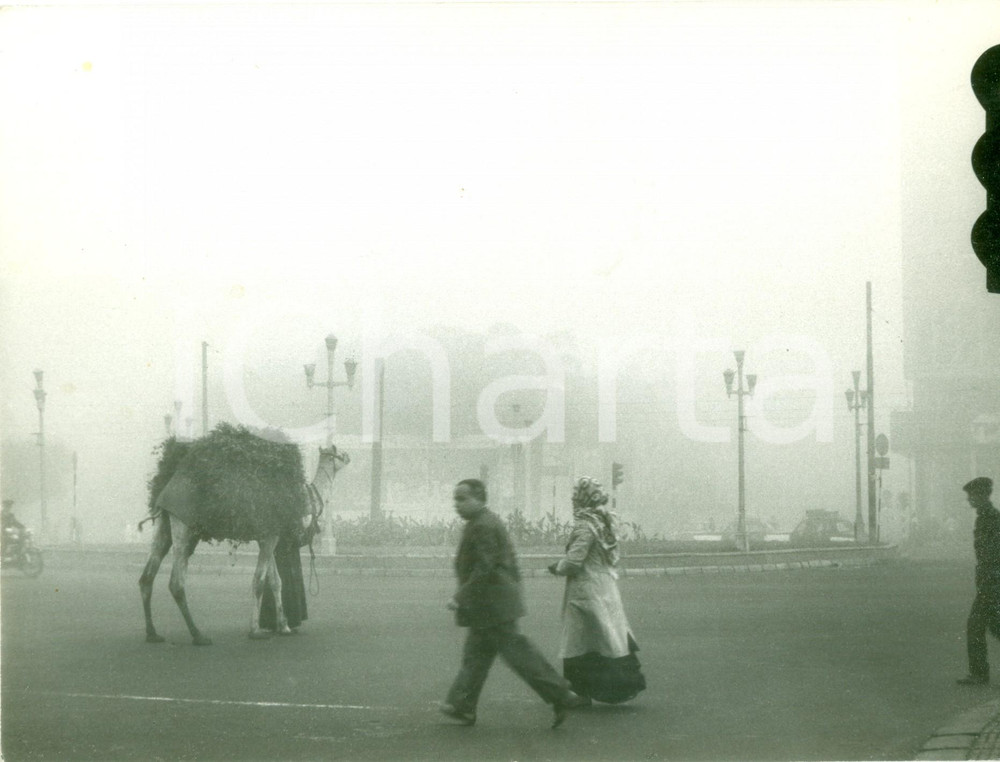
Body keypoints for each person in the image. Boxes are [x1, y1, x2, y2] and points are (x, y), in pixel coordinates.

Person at [441, 478, 588, 728]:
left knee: (517, 655)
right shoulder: (483, 521)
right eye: (456, 499)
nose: (457, 504)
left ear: (480, 499)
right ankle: (462, 705)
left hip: (492, 605)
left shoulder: (482, 526)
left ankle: (561, 694)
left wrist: (460, 597)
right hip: (492, 603)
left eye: (462, 499)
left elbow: (484, 568)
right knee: (477, 656)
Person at [548, 477, 646, 703]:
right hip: (606, 586)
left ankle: (579, 693)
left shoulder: (585, 524)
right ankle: (604, 689)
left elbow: (575, 560)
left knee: (579, 640)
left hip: (585, 589)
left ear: (581, 499)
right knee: (606, 637)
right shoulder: (605, 521)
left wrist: (558, 567)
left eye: (575, 497)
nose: (573, 500)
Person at [957, 477, 1000, 685]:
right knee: (992, 626)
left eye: (972, 496)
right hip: (989, 581)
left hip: (993, 581)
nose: (969, 500)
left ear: (982, 496)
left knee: (977, 625)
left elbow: (993, 552)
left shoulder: (991, 518)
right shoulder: (984, 517)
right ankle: (979, 673)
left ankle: (979, 673)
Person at [259, 528, 308, 632]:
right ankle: (274, 621)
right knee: (280, 579)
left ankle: (289, 621)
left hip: (289, 549)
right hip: (281, 548)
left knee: (288, 580)